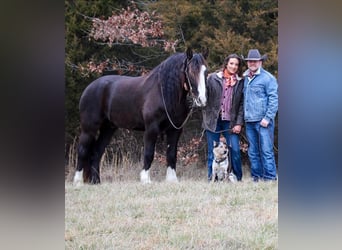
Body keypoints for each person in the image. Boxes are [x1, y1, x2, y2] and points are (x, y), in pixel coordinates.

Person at [202, 54, 244, 182]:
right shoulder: (213, 78)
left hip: (230, 122)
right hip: (213, 121)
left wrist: (239, 123)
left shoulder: (240, 82)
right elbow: (204, 97)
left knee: (235, 150)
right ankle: (212, 179)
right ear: (226, 64)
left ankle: (237, 178)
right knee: (212, 152)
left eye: (236, 64)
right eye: (231, 63)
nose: (234, 66)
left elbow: (242, 105)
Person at [242, 49, 278, 181]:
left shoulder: (268, 78)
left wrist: (267, 118)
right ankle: (256, 177)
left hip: (263, 122)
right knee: (253, 152)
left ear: (260, 62)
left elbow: (274, 100)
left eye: (255, 61)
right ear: (247, 63)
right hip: (249, 121)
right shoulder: (245, 78)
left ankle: (269, 178)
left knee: (266, 151)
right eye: (250, 61)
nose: (252, 63)